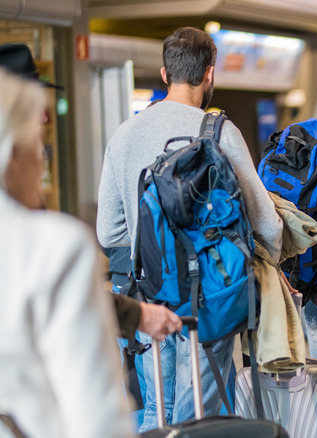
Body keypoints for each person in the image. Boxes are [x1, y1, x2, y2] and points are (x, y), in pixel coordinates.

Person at [96, 27, 283, 431]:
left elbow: (108, 232)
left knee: (155, 412)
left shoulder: (124, 135)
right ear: (210, 74)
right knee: (200, 416)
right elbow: (268, 223)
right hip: (210, 298)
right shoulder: (219, 133)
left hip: (148, 295)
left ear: (165, 74)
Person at [0, 42, 182, 344]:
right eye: (33, 110)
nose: (45, 119)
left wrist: (137, 315)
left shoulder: (23, 208)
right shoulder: (54, 240)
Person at [0, 68, 136, 438]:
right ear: (12, 155)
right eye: (38, 145)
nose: (42, 161)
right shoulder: (53, 247)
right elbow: (96, 414)